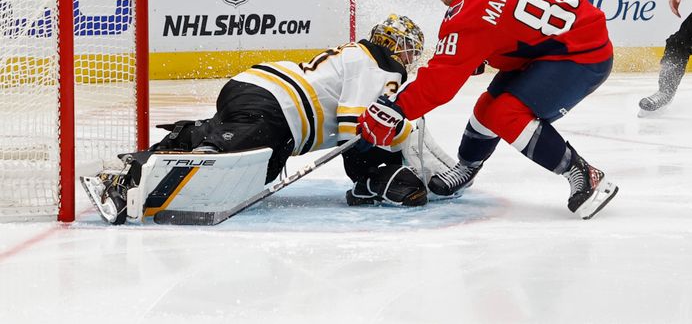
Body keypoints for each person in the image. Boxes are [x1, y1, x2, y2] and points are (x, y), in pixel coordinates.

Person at [356, 0, 618, 220]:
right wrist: (481, 52)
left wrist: (397, 109)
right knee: (487, 108)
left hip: (580, 56)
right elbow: (505, 21)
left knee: (505, 114)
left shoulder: (470, 17)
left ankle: (584, 174)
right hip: (561, 43)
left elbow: (439, 85)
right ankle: (468, 167)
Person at [82, 15, 435, 224]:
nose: (412, 58)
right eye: (411, 50)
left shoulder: (359, 54)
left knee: (252, 171)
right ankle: (126, 182)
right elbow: (352, 129)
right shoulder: (381, 65)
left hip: (262, 96)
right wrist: (396, 144)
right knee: (227, 161)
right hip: (274, 108)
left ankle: (164, 150)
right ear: (399, 46)